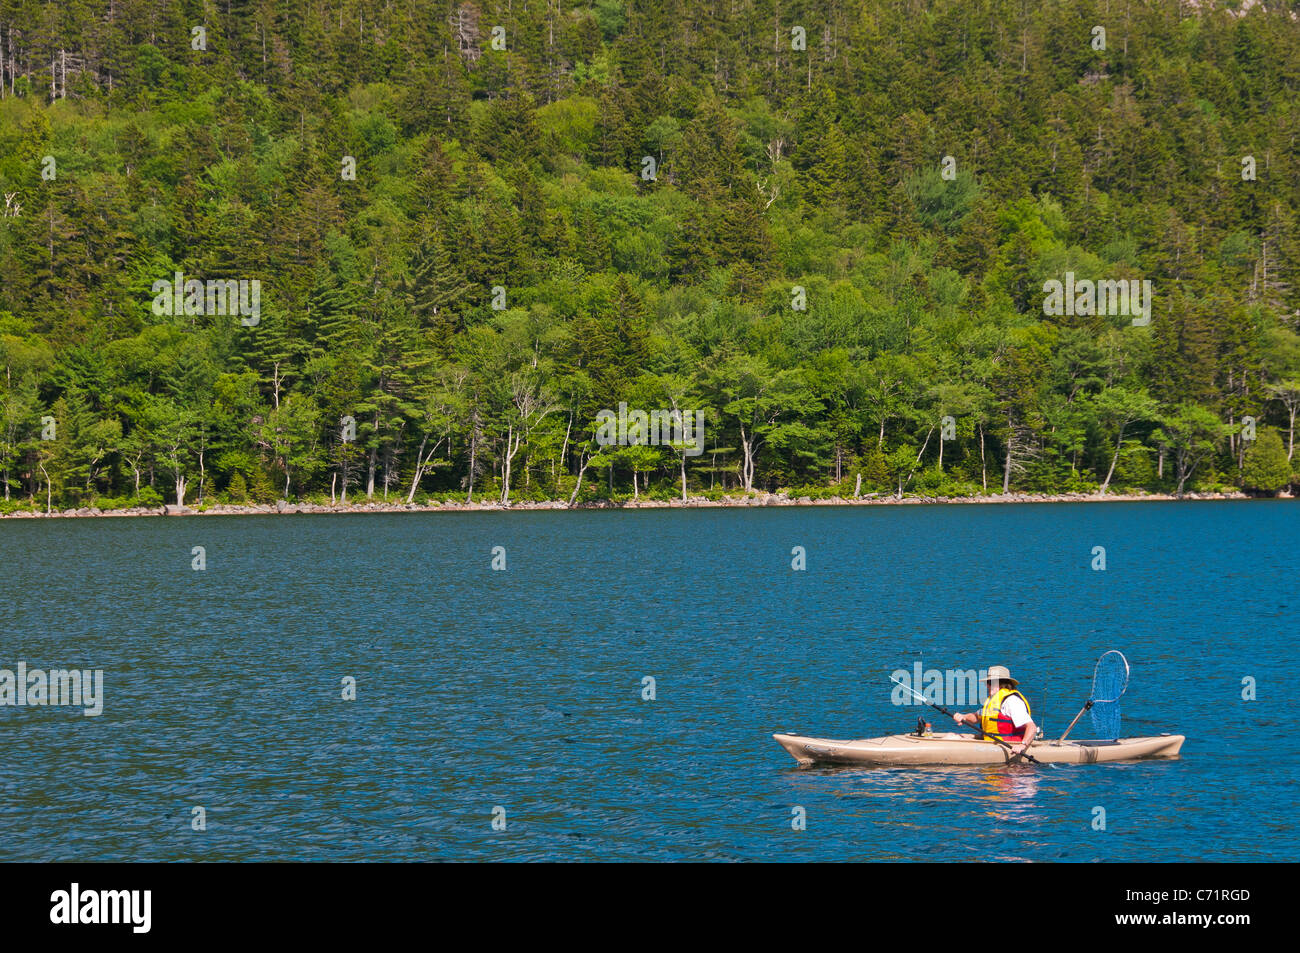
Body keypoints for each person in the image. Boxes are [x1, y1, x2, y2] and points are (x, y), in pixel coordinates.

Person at [952, 665, 1037, 758]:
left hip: (1009, 745)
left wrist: (1022, 745)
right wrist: (963, 717)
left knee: (952, 738)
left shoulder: (1012, 701)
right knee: (951, 736)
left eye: (990, 682)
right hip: (992, 742)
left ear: (1000, 684)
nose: (987, 685)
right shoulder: (993, 701)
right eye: (988, 682)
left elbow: (1032, 727)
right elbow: (976, 717)